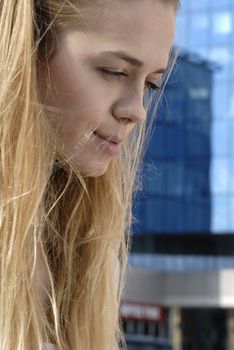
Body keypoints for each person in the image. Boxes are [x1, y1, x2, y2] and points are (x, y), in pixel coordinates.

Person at [0, 0, 179, 349]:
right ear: (26, 49)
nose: (137, 111)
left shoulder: (90, 249)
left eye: (151, 85)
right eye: (114, 71)